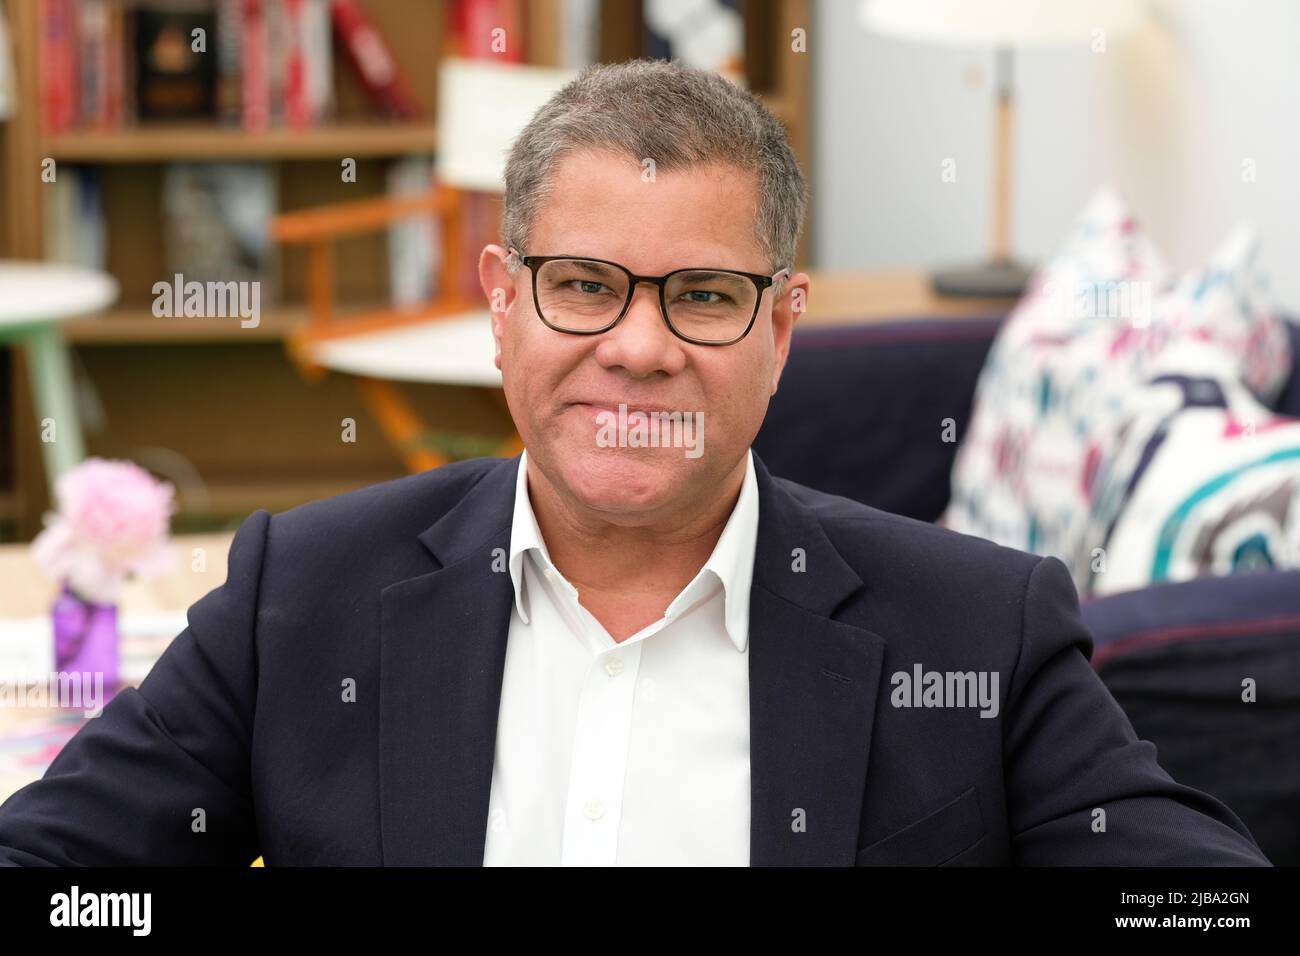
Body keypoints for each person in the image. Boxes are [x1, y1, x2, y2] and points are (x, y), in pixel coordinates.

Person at [0, 59, 1270, 866]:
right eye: (586, 286)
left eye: (705, 295)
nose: (640, 348)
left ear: (781, 327)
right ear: (503, 303)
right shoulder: (299, 595)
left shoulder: (978, 625)